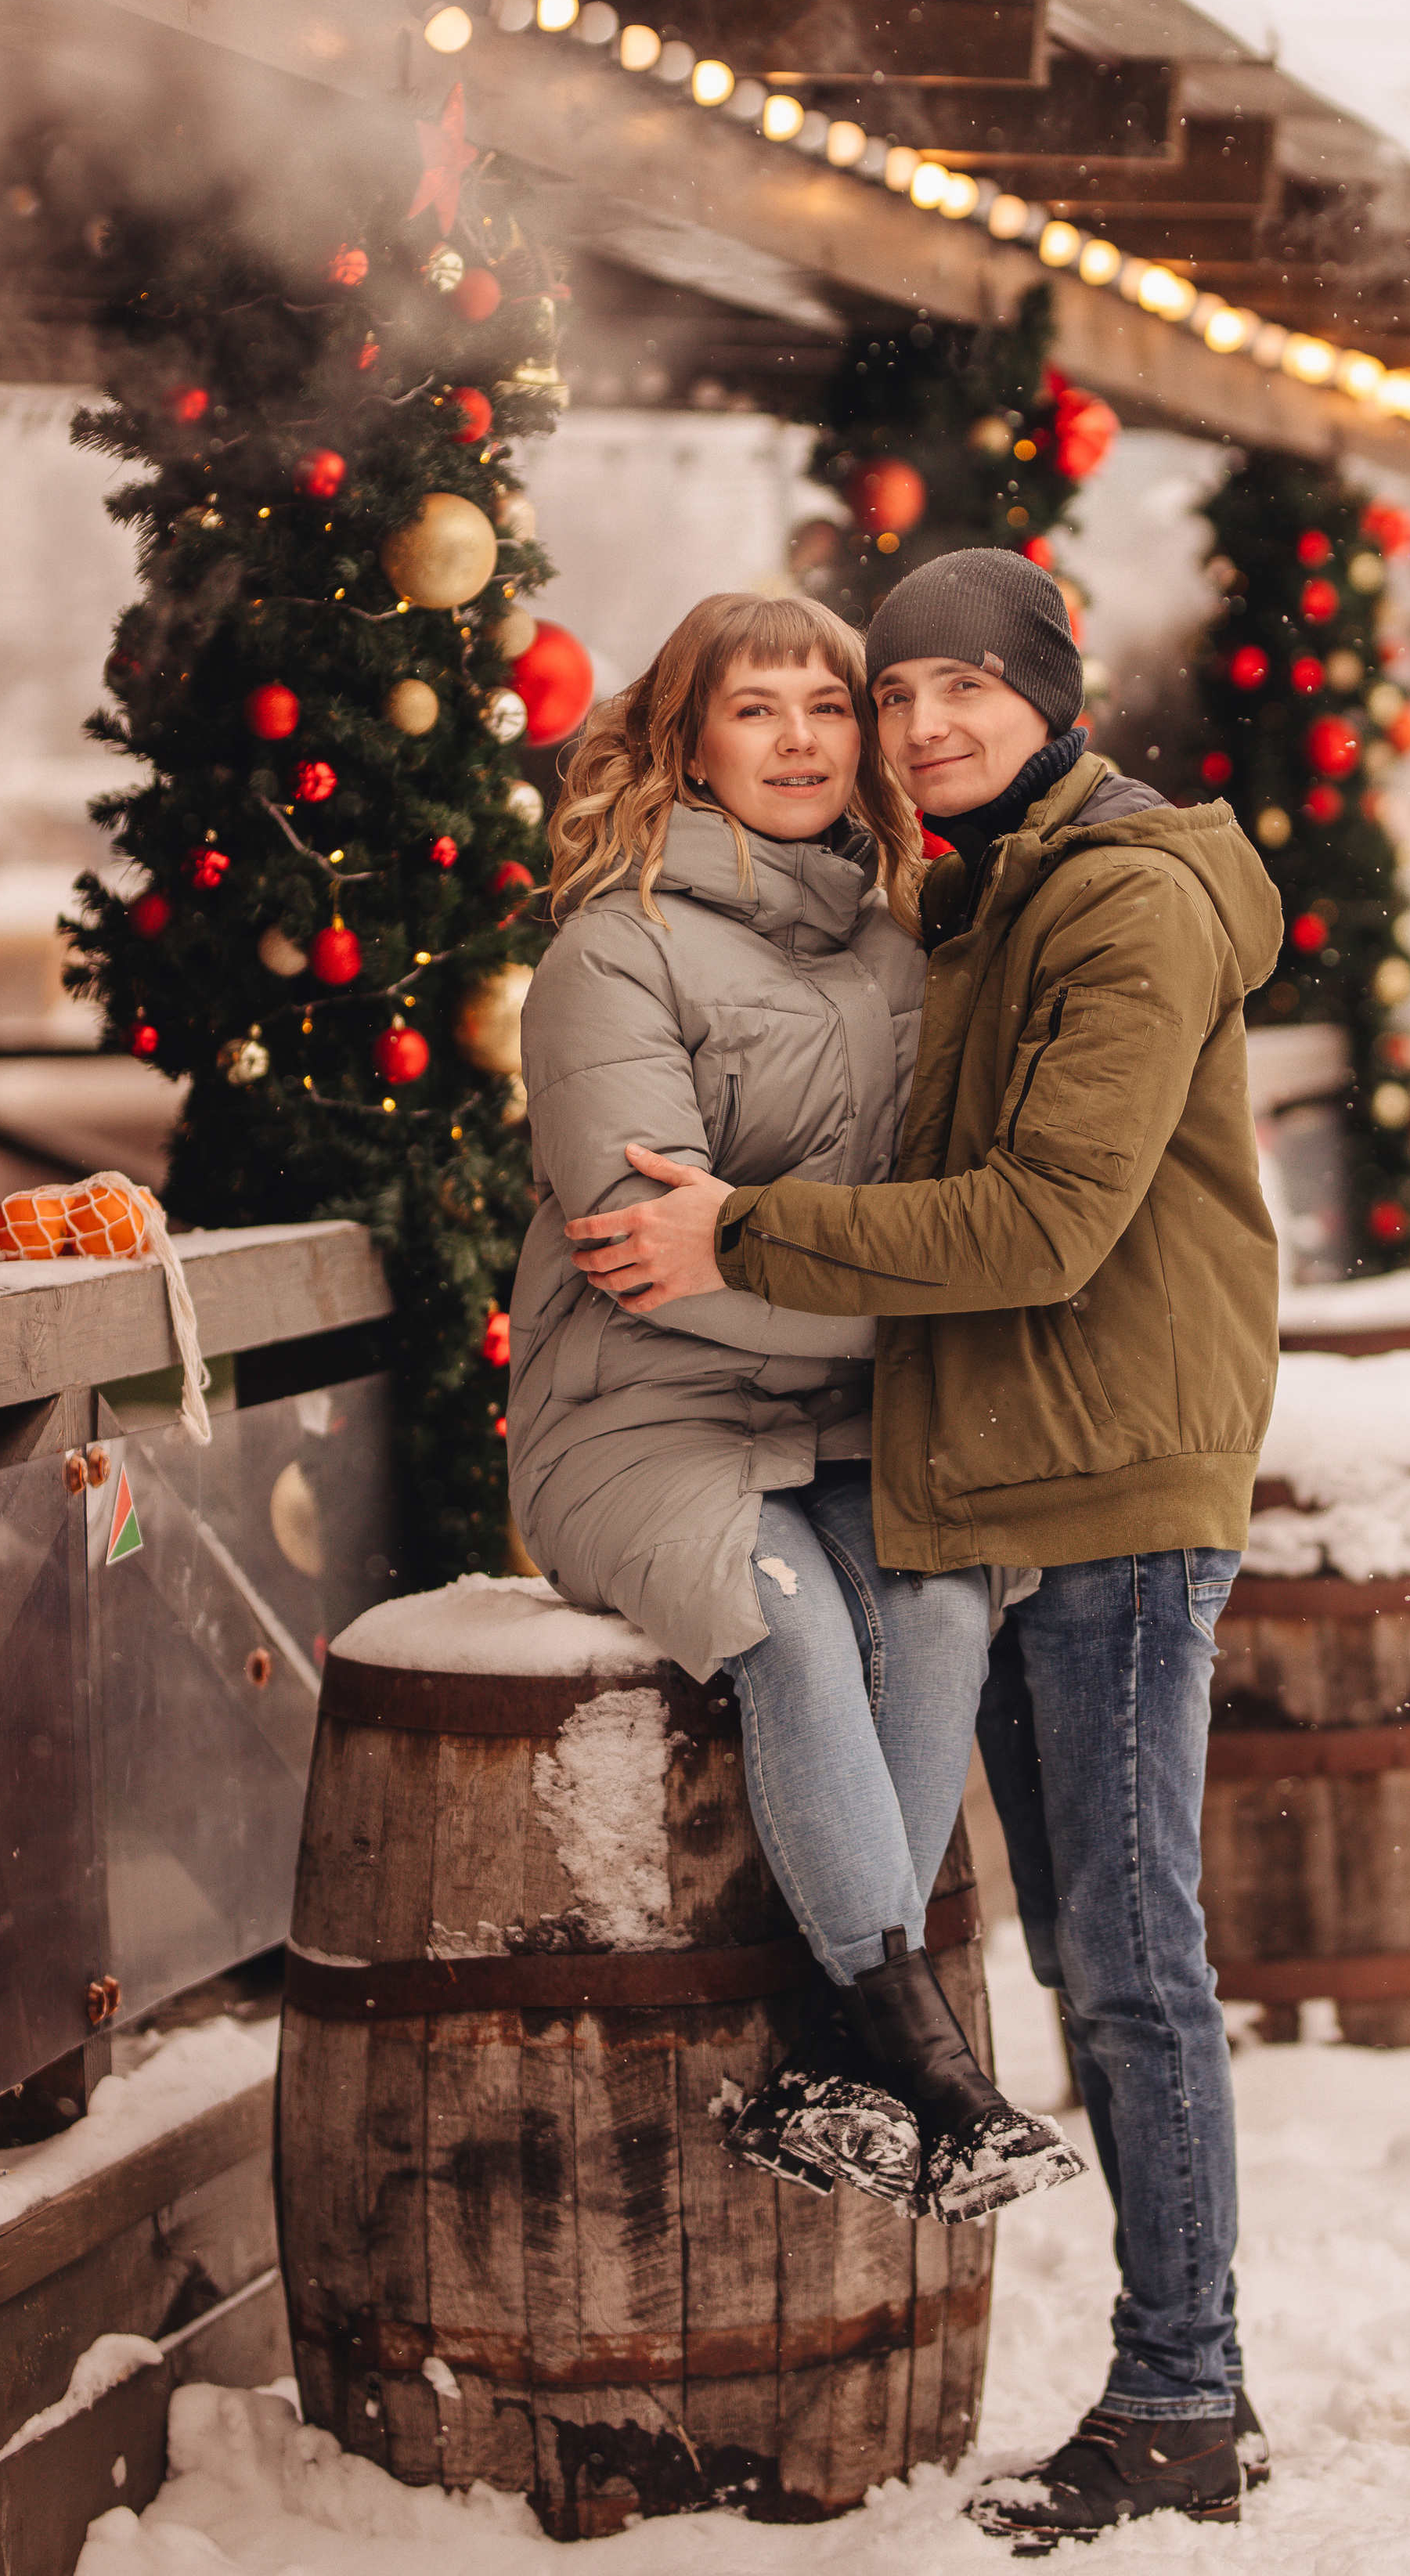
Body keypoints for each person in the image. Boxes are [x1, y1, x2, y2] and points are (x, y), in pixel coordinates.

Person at [567, 550, 1283, 2545]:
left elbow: (1042, 1223)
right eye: (897, 696)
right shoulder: (984, 890)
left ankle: (1182, 2391)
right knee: (1082, 1950)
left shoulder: (1120, 897)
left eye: (965, 687)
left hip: (1115, 1487)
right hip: (1018, 1476)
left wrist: (744, 1233)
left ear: (1054, 691)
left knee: (1131, 1968)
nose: (923, 727)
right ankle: (1177, 2371)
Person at [507, 590, 1080, 2225]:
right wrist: (904, 1304)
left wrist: (875, 1287)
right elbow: (655, 1266)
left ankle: (831, 2070)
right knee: (796, 1630)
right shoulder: (610, 951)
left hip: (846, 1423)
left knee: (942, 1607)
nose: (801, 741)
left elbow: (950, 1214)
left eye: (828, 708)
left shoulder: (905, 941)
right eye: (754, 710)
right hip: (642, 1416)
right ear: (685, 740)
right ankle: (936, 2072)